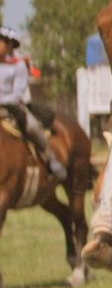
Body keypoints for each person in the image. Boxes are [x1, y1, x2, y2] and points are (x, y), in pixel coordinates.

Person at [0, 25, 67, 181]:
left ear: (10, 45)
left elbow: (17, 95)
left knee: (33, 126)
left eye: (1, 41)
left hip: (12, 109)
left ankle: (51, 159)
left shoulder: (19, 66)